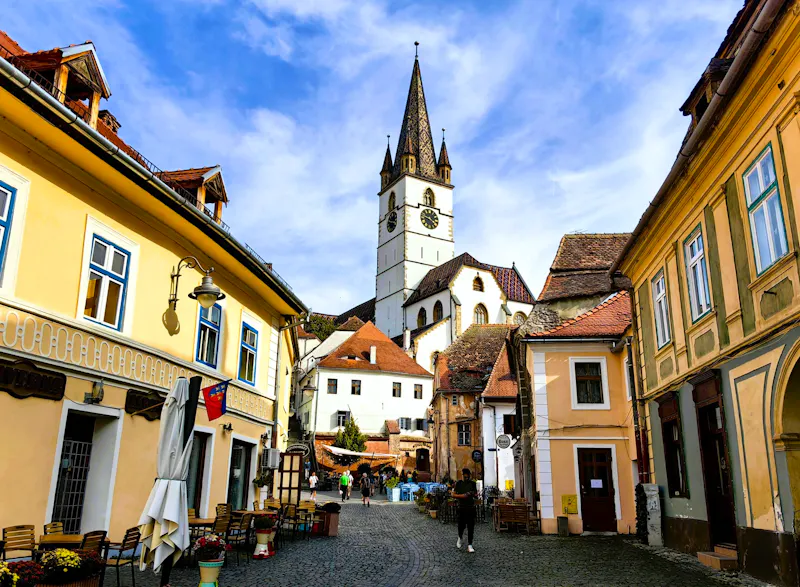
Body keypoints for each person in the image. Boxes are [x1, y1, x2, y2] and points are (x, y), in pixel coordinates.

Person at [452, 468, 478, 553]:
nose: (466, 478)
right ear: (462, 475)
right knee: (461, 526)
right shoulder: (459, 483)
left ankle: (470, 545)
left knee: (471, 527)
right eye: (464, 476)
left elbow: (471, 494)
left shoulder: (472, 484)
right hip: (461, 508)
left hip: (470, 508)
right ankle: (460, 537)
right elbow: (453, 494)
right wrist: (462, 495)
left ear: (469, 476)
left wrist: (458, 495)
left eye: (467, 477)